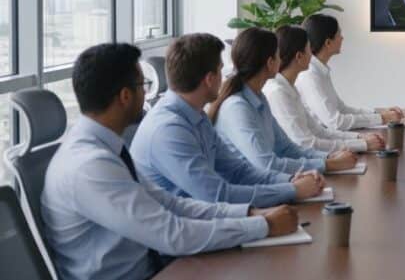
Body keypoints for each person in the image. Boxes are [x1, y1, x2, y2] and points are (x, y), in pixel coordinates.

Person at [42, 43, 298, 280]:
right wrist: (263, 226)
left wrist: (250, 213)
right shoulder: (89, 166)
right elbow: (172, 234)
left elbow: (170, 204)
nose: (147, 92)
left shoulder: (105, 149)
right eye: (143, 85)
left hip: (163, 266)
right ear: (124, 96)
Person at [132, 33, 325, 207]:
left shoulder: (197, 115)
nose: (225, 79)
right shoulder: (168, 129)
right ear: (209, 79)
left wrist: (291, 180)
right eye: (221, 70)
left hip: (209, 223)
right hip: (185, 234)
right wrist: (292, 189)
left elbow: (239, 171)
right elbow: (217, 194)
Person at [210, 27, 358, 175]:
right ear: (270, 63)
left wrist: (329, 157)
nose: (282, 60)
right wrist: (328, 164)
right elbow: (267, 164)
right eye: (278, 56)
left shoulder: (259, 99)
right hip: (249, 190)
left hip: (267, 183)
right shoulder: (237, 107)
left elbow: (287, 148)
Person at [265, 26, 385, 154]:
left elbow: (319, 131)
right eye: (308, 49)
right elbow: (306, 143)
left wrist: (359, 138)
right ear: (299, 56)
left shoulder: (289, 87)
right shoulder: (278, 92)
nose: (312, 54)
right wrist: (362, 144)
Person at [296, 14, 405, 130]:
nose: (342, 38)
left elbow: (342, 109)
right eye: (339, 34)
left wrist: (379, 114)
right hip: (324, 142)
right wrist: (382, 118)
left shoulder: (320, 70)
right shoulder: (309, 75)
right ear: (328, 43)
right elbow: (335, 122)